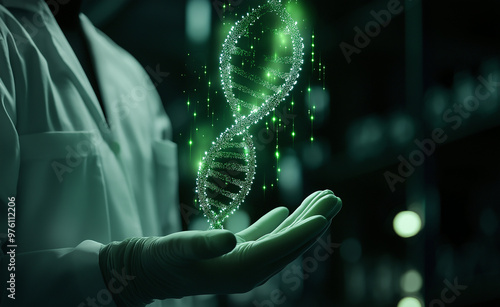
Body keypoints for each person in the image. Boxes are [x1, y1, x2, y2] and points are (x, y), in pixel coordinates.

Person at [0, 0, 342, 306]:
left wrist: (180, 281)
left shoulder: (131, 77)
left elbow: (169, 247)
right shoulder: (7, 41)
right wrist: (118, 276)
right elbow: (8, 282)